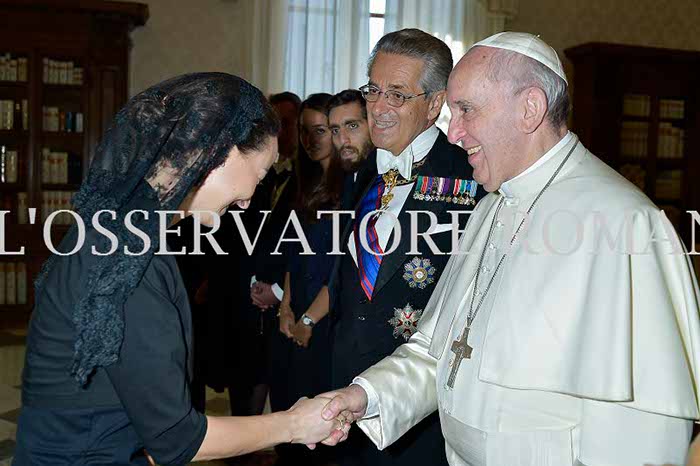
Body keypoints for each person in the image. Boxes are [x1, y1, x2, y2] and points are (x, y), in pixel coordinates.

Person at [320, 33, 700, 465]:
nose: (454, 134)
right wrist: (364, 396)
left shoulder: (625, 222)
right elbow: (440, 351)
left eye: (466, 110)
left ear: (530, 109)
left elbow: (646, 431)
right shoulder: (491, 208)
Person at [14, 73, 343, 466]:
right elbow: (177, 439)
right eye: (259, 173)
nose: (247, 200)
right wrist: (295, 424)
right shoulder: (126, 259)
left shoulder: (124, 231)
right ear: (218, 152)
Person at [326, 29, 483, 466]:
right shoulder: (363, 172)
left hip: (418, 409)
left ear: (434, 104)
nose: (378, 107)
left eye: (397, 95)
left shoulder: (471, 178)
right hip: (346, 388)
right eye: (373, 90)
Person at [275, 92, 344, 465]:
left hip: (325, 317)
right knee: (289, 415)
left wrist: (308, 319)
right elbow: (292, 255)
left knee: (319, 427)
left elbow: (341, 270)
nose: (310, 139)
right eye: (305, 130)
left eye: (320, 130)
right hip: (299, 309)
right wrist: (285, 308)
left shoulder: (350, 187)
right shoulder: (304, 184)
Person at [328, 89, 373, 209]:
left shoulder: (385, 179)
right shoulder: (341, 180)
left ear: (372, 125)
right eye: (335, 130)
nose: (342, 140)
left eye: (352, 126)